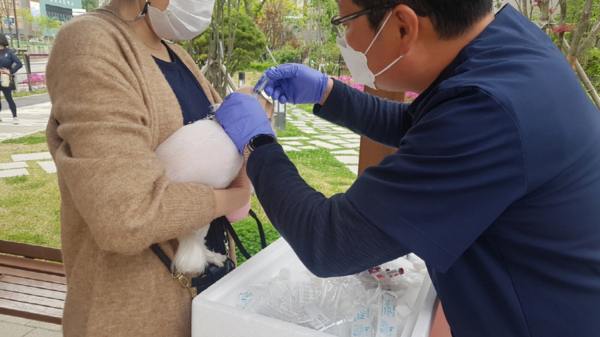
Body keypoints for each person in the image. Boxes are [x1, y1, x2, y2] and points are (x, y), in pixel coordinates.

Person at [214, 1, 600, 336]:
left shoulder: (489, 110)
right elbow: (426, 129)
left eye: (346, 23)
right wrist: (328, 93)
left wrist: (257, 143)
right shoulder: (507, 49)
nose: (344, 40)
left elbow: (330, 242)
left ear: (402, 25)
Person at [45, 0, 252, 335]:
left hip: (207, 289)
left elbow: (231, 132)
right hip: (135, 311)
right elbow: (127, 215)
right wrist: (236, 195)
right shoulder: (89, 44)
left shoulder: (176, 54)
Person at [0, 34, 22, 124]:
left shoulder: (9, 52)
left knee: (9, 98)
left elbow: (19, 63)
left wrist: (10, 71)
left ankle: (15, 117)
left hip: (6, 79)